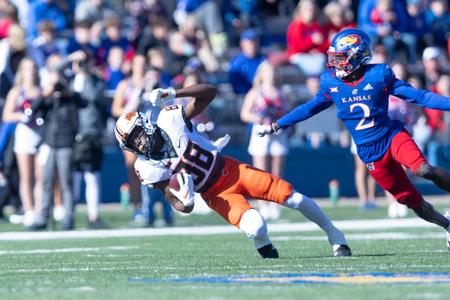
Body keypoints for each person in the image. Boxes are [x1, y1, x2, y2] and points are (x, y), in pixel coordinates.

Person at [257, 28, 450, 251]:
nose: (334, 62)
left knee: (423, 169)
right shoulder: (330, 82)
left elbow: (420, 96)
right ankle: (446, 225)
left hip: (391, 136)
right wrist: (278, 124)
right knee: (411, 201)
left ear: (356, 55)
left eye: (340, 57)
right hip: (369, 152)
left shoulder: (379, 74)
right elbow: (310, 108)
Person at [114, 84, 351, 258]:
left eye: (137, 135)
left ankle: (335, 235)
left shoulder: (170, 118)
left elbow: (209, 93)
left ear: (145, 124)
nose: (139, 144)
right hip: (215, 194)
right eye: (132, 142)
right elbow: (174, 201)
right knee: (256, 226)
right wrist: (185, 201)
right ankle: (266, 248)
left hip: (231, 169)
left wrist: (175, 93)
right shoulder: (145, 166)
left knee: (293, 197)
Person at [240, 61, 289, 220]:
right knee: (261, 172)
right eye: (268, 71)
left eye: (274, 71)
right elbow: (244, 114)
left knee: (277, 171)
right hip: (261, 131)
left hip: (278, 132)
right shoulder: (255, 92)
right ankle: (263, 203)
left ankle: (276, 202)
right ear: (261, 73)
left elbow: (288, 112)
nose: (271, 74)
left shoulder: (283, 91)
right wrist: (260, 119)